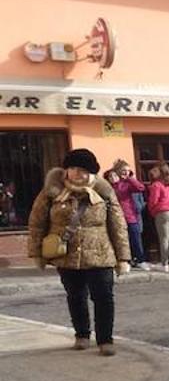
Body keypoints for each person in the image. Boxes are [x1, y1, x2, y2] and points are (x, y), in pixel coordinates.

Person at [26, 149, 131, 356]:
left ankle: (105, 340)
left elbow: (118, 225)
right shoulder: (52, 191)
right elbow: (36, 223)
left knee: (103, 298)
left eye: (82, 170)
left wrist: (123, 257)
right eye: (72, 168)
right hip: (67, 256)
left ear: (91, 173)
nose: (76, 174)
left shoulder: (104, 192)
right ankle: (82, 335)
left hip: (100, 255)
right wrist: (37, 253)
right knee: (75, 297)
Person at [111, 159, 149, 269]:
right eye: (123, 170)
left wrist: (130, 178)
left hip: (131, 216)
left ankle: (140, 260)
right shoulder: (114, 184)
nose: (126, 172)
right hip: (118, 216)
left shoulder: (129, 183)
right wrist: (116, 182)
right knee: (122, 241)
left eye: (128, 170)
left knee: (136, 239)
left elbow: (140, 188)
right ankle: (125, 261)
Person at [146, 162, 169, 272]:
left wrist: (153, 211)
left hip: (162, 212)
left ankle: (164, 264)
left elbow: (153, 201)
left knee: (164, 239)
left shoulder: (157, 185)